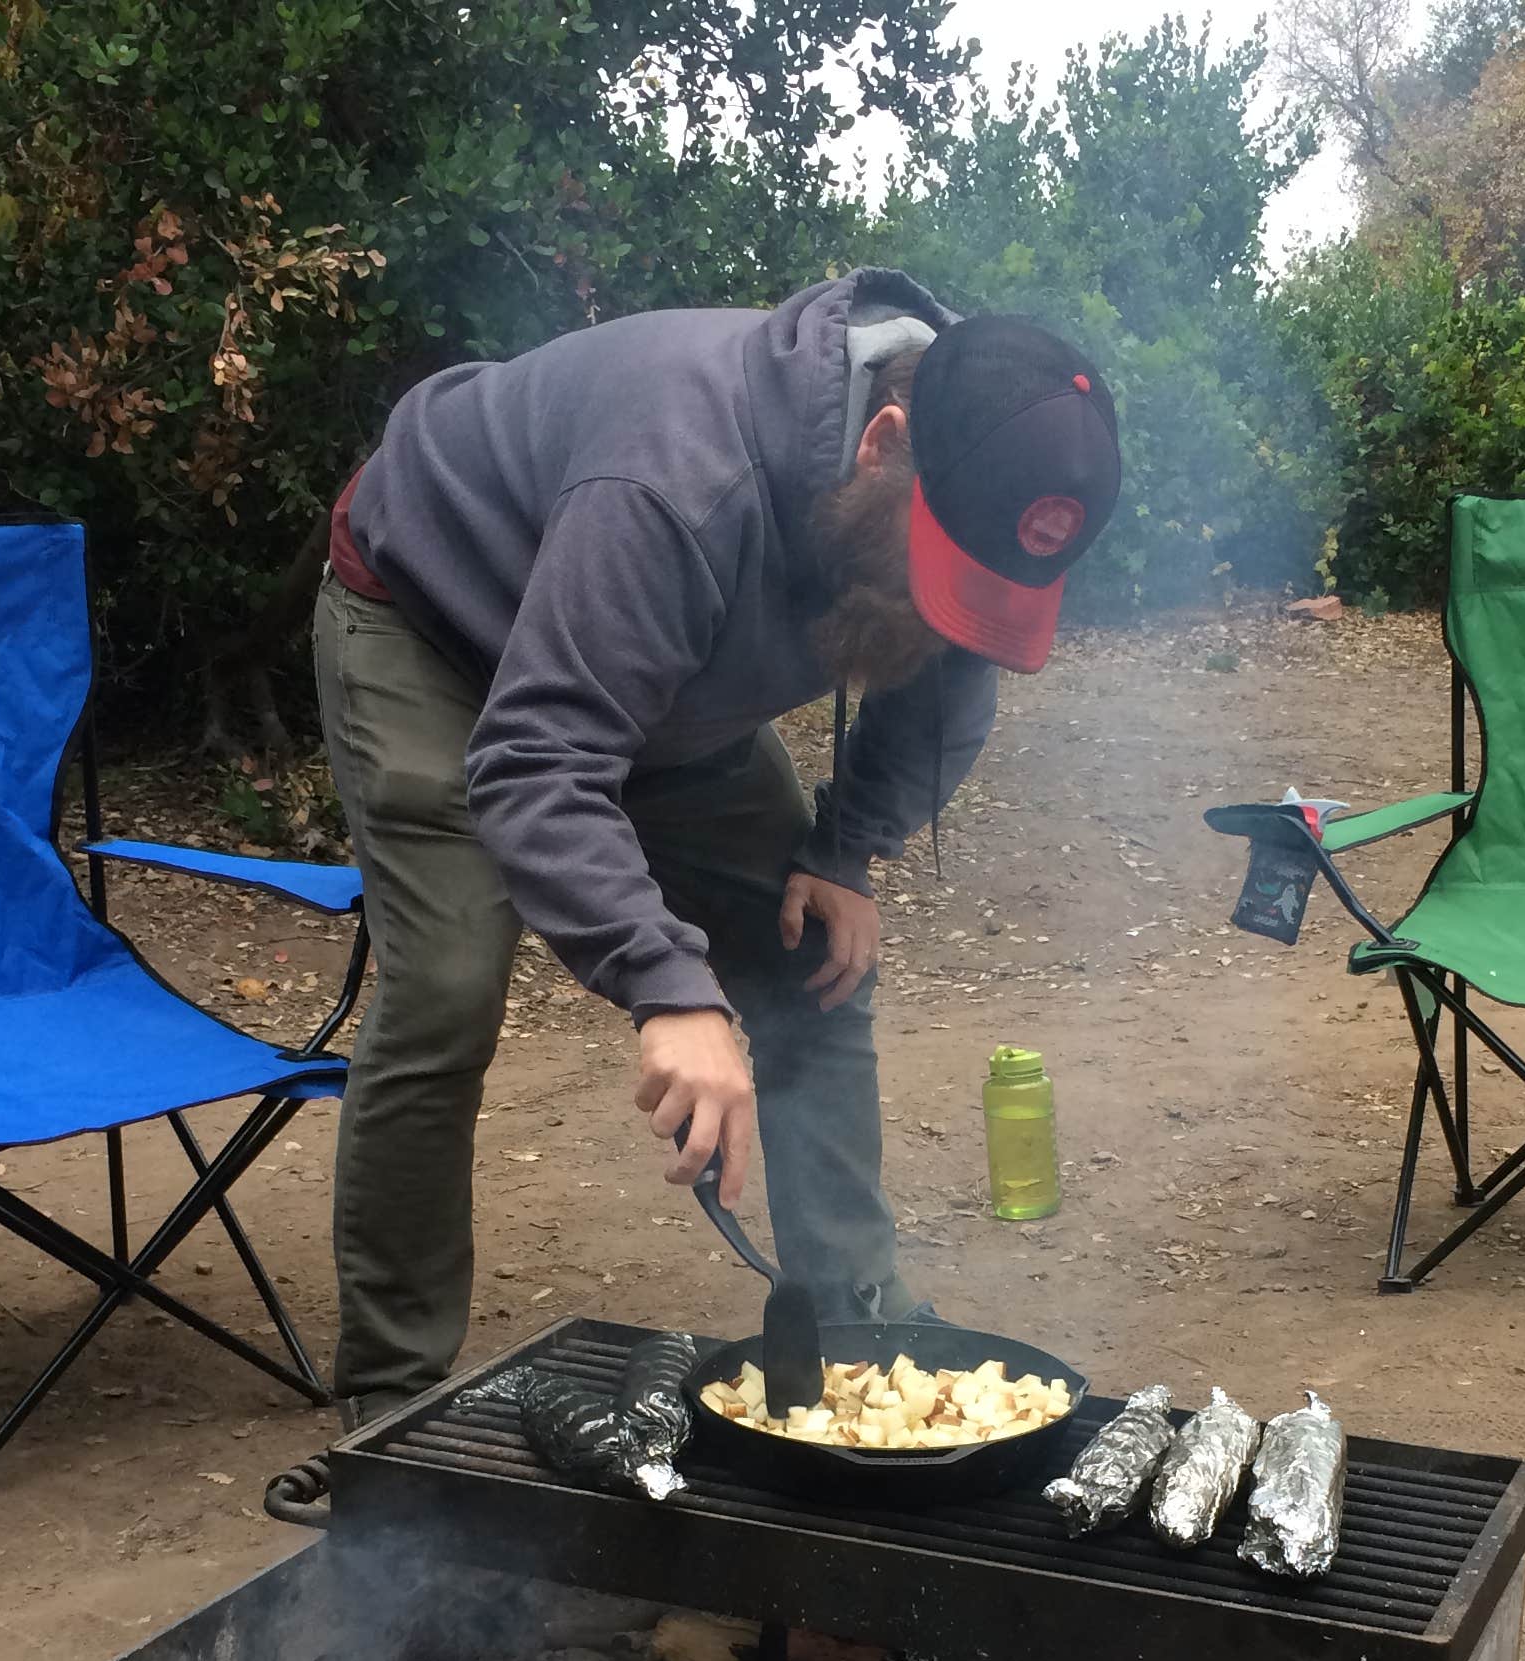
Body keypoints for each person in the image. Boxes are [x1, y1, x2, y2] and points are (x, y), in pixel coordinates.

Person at [313, 269, 1120, 1422]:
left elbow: (947, 678)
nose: (943, 610)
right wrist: (669, 989)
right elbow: (541, 760)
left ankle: (858, 1325)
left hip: (662, 679)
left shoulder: (975, 462)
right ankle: (395, 1397)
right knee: (444, 987)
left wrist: (843, 852)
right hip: (440, 628)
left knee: (814, 954)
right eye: (937, 573)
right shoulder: (678, 479)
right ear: (883, 444)